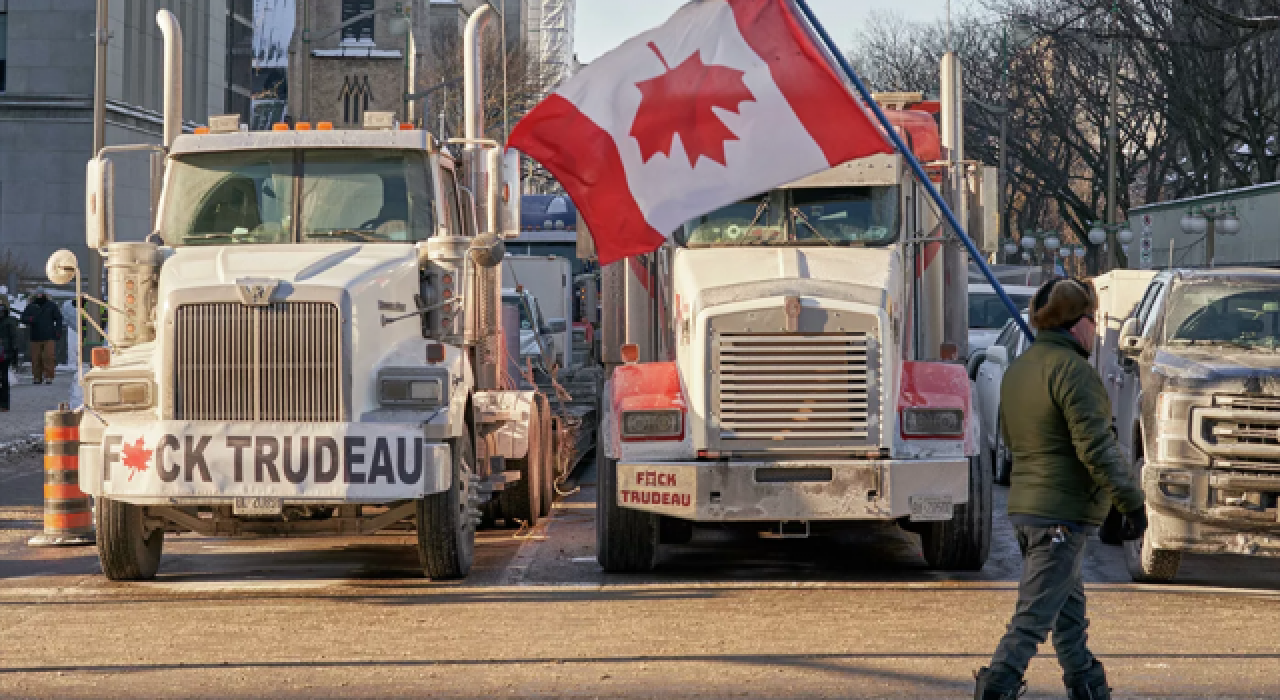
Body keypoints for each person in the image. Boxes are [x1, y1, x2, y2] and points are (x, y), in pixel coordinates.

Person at [975, 278, 1148, 700]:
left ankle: (1088, 688)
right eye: (1093, 319)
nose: (1097, 330)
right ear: (1077, 323)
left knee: (1069, 622)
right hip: (1061, 517)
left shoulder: (1020, 369)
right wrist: (1131, 503)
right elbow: (1098, 449)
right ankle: (996, 688)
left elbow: (1013, 443)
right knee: (1032, 621)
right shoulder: (1074, 373)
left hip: (1027, 510)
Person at [20, 289, 63, 385]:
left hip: (49, 336)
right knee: (36, 358)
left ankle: (48, 376)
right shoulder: (31, 306)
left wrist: (58, 331)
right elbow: (23, 318)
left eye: (41, 294)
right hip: (35, 336)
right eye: (38, 294)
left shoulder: (51, 306)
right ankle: (37, 377)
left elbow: (59, 318)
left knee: (49, 357)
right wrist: (30, 319)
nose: (40, 296)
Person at [0, 299, 17, 411]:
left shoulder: (9, 321)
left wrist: (13, 354)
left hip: (4, 353)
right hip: (4, 351)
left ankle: (4, 404)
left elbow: (14, 339)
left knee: (4, 379)